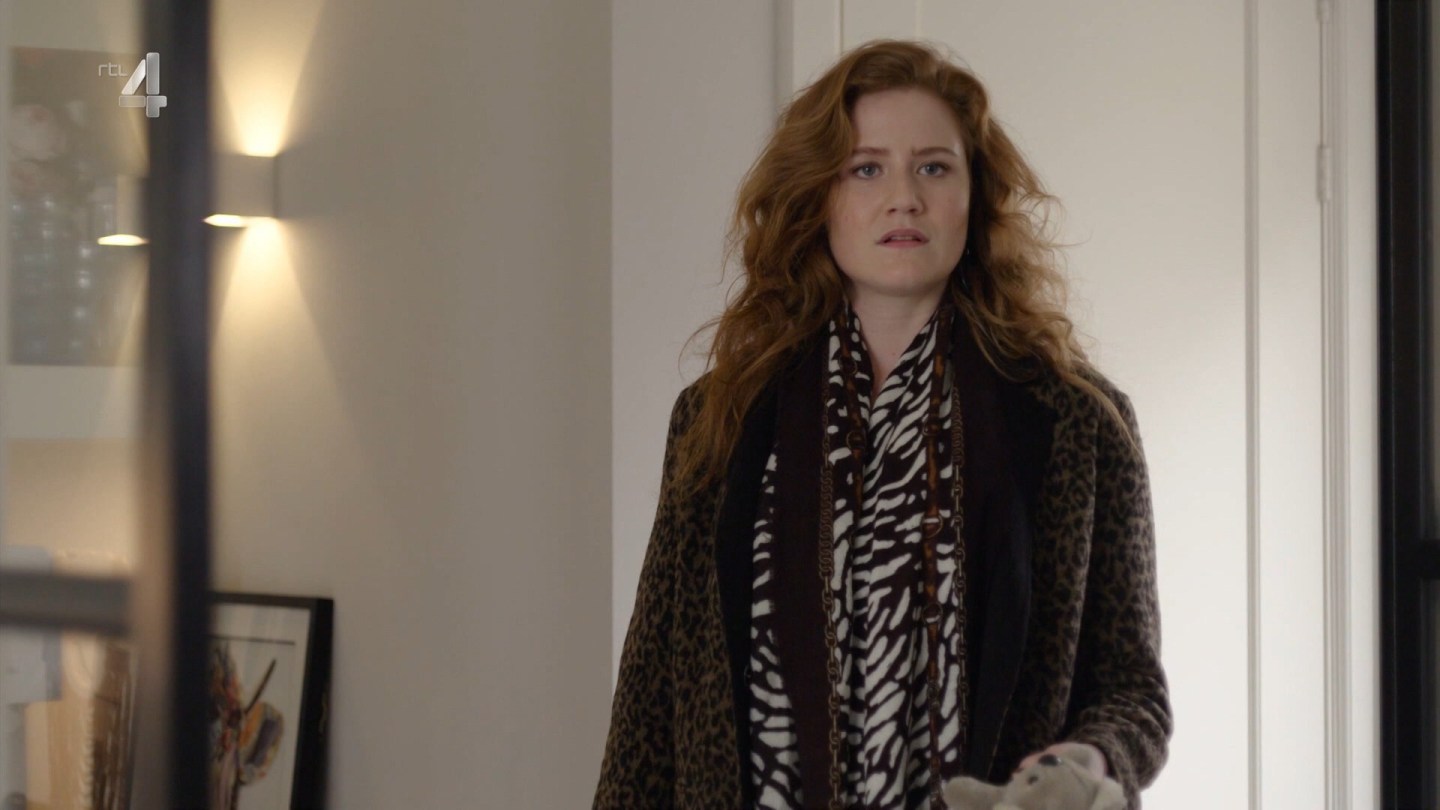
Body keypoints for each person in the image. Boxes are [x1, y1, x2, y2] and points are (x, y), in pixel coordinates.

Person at [594, 38, 1171, 810]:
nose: (904, 198)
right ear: (819, 195)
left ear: (975, 194)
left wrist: (1085, 763)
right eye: (866, 169)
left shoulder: (1078, 423)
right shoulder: (720, 419)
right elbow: (648, 710)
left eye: (934, 167)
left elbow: (1133, 693)